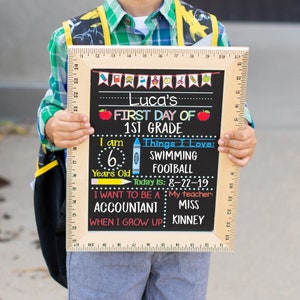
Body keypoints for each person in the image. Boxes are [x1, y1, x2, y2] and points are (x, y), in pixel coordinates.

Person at [37, 0, 257, 299]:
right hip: (104, 224)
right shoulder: (72, 36)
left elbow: (232, 104)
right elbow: (53, 105)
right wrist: (53, 125)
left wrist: (242, 130)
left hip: (186, 222)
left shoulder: (206, 30)